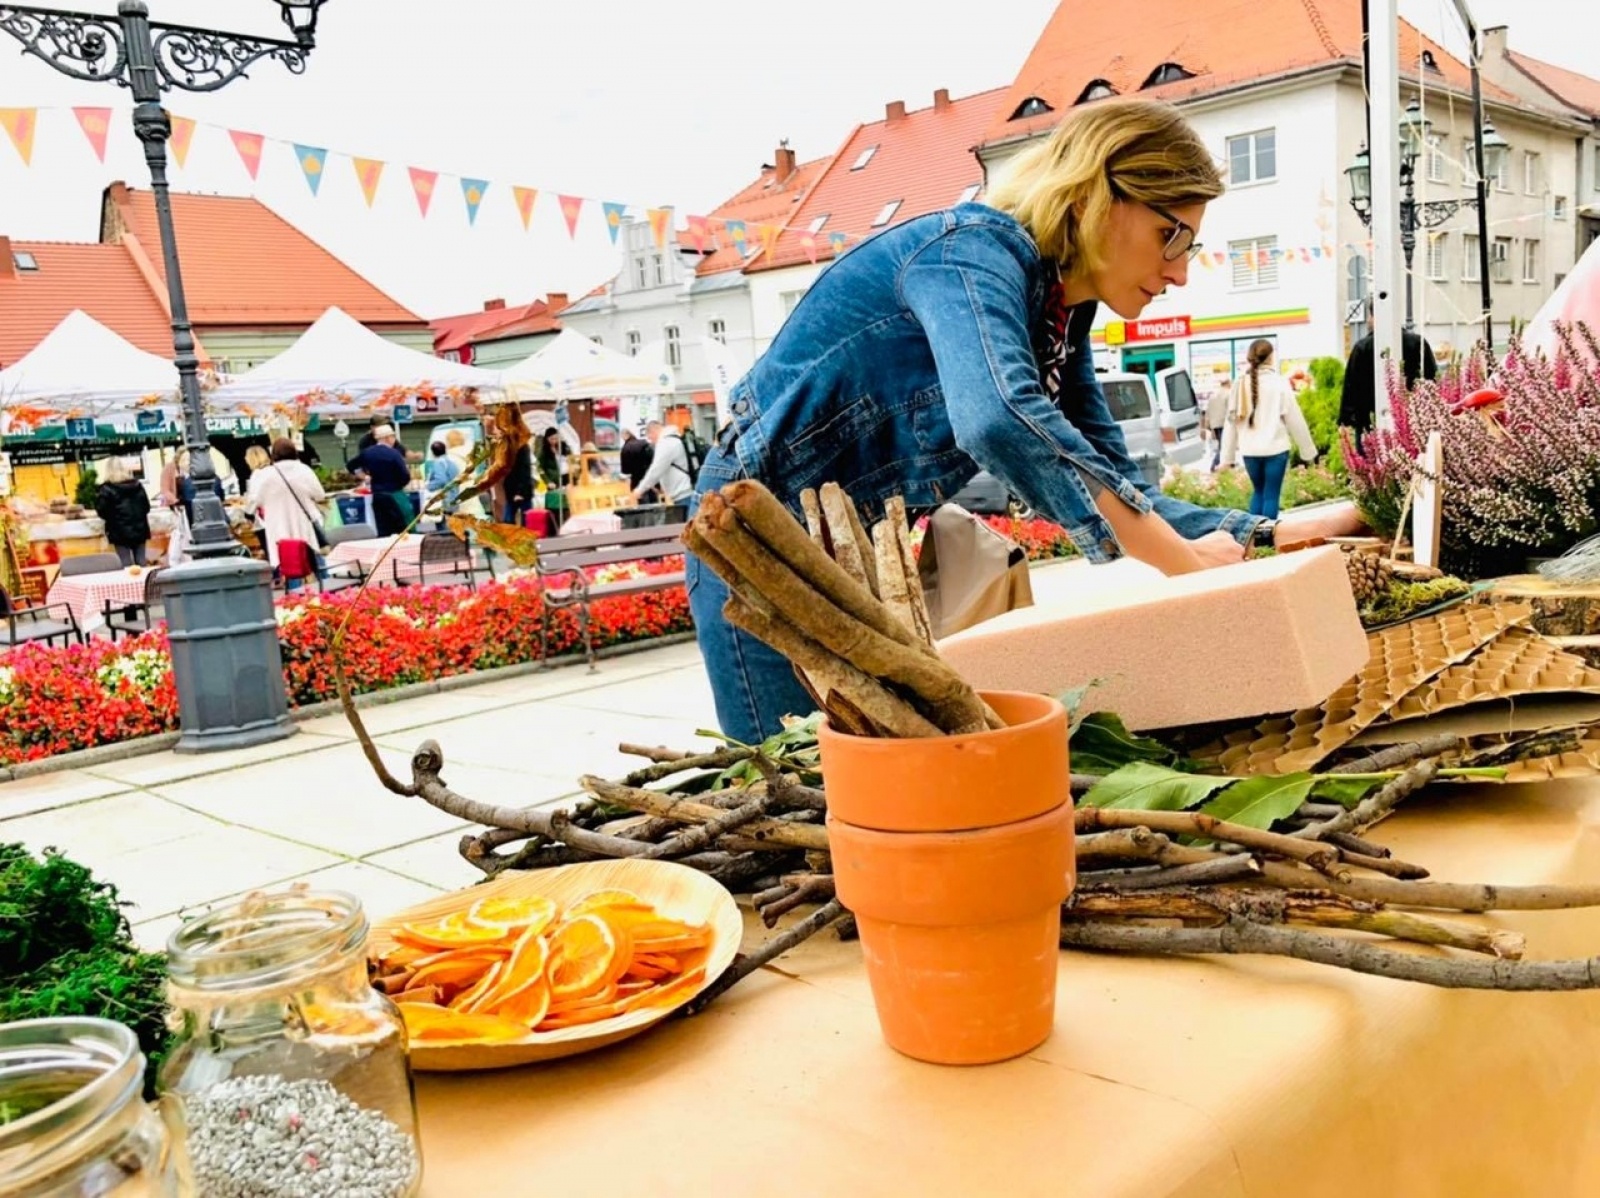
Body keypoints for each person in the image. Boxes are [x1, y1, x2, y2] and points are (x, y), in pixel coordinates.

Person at [685, 96, 1365, 744]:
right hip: (751, 541)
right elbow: (999, 416)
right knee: (791, 779)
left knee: (863, 779)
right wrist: (1184, 565)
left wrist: (1271, 533)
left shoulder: (1059, 314)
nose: (1180, 272)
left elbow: (1117, 483)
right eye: (1171, 235)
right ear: (1100, 196)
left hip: (847, 554)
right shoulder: (971, 251)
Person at [1219, 340, 1316, 520]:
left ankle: (1253, 537)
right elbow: (1295, 420)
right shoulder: (1279, 384)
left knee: (1258, 492)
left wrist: (1227, 457)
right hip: (1276, 449)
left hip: (1250, 451)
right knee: (1271, 495)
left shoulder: (1239, 384)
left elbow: (1231, 423)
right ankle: (1268, 540)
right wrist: (1308, 451)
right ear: (1271, 357)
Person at [245, 438, 328, 582]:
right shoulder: (304, 470)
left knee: (289, 563)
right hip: (304, 523)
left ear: (273, 454)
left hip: (278, 527)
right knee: (315, 558)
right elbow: (319, 494)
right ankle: (329, 592)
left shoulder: (266, 475)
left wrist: (249, 513)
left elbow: (254, 501)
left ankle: (295, 598)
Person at [1338, 328, 1438, 436]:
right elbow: (1432, 379)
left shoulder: (1362, 347)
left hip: (1367, 422)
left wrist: (1346, 420)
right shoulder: (1418, 342)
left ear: (1373, 316)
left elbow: (1351, 386)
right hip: (1414, 421)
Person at [347, 424, 414, 536]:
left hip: (377, 494)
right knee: (405, 527)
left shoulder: (367, 453)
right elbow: (405, 475)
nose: (394, 440)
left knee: (383, 529)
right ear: (387, 438)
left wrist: (363, 476)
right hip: (395, 493)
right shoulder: (394, 454)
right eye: (393, 436)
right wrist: (400, 484)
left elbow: (351, 465)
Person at [94, 459, 151, 569]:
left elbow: (102, 511)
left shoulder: (106, 489)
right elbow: (147, 507)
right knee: (141, 560)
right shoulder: (137, 485)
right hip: (140, 528)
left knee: (125, 562)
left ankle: (130, 584)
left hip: (119, 531)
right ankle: (145, 584)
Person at [630, 420, 695, 508]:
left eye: (650, 438)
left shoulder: (666, 443)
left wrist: (639, 490)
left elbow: (656, 470)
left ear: (653, 432)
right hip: (685, 492)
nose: (651, 442)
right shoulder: (674, 439)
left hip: (683, 495)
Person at [534, 427, 568, 531]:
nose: (554, 441)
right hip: (552, 483)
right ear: (547, 439)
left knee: (565, 505)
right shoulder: (543, 452)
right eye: (552, 439)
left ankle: (565, 526)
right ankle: (554, 528)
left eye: (556, 438)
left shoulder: (563, 448)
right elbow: (539, 468)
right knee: (554, 507)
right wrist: (547, 481)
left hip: (564, 480)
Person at [423, 439, 462, 529]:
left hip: (444, 500)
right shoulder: (452, 463)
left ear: (433, 453)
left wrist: (429, 486)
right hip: (454, 497)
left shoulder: (438, 463)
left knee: (443, 528)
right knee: (453, 526)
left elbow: (441, 480)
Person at [1203, 380, 1230, 472]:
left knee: (1222, 444)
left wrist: (1208, 425)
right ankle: (1215, 464)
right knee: (1224, 446)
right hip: (1225, 423)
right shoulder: (1228, 393)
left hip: (1215, 424)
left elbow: (1208, 411)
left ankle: (1224, 464)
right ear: (1228, 383)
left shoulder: (1213, 395)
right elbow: (1231, 410)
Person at [621, 425, 655, 492]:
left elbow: (625, 470)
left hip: (636, 478)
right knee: (651, 496)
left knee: (640, 497)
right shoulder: (644, 443)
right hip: (649, 475)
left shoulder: (626, 448)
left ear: (625, 436)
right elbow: (652, 458)